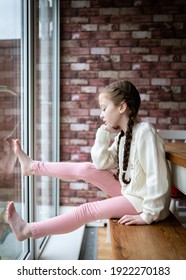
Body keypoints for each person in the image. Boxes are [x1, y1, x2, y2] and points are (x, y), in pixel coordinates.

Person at [5, 80, 171, 242]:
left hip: (143, 203)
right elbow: (101, 163)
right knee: (85, 169)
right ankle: (32, 167)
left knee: (87, 210)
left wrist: (147, 215)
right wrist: (103, 133)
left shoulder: (145, 132)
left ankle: (27, 230)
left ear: (122, 107)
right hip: (130, 193)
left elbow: (157, 178)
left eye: (104, 108)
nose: (101, 114)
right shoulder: (123, 136)